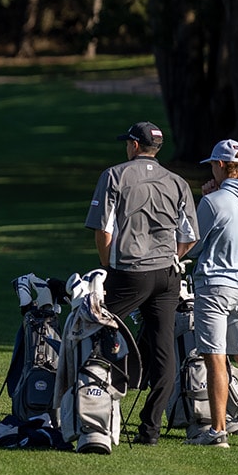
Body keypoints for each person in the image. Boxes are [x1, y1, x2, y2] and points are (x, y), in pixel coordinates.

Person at [83, 121, 197, 445]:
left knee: (94, 330)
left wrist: (107, 266)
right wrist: (169, 256)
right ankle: (150, 430)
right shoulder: (178, 182)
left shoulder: (115, 176)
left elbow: (103, 230)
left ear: (134, 145)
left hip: (130, 273)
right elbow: (190, 237)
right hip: (167, 275)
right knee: (163, 351)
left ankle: (97, 410)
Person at [182, 139, 238, 449]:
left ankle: (217, 431)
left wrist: (206, 198)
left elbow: (191, 246)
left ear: (221, 165)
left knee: (215, 360)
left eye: (212, 165)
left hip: (216, 287)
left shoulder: (213, 201)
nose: (211, 169)